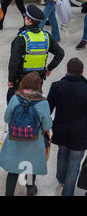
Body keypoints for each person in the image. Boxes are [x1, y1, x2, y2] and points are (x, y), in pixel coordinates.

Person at [0, 72, 53, 196]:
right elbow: (47, 126)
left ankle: (9, 193)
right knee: (31, 165)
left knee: (12, 170)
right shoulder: (43, 103)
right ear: (39, 86)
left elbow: (6, 118)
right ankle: (30, 188)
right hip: (34, 141)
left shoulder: (15, 98)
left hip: (14, 139)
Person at [7, 5, 64, 103]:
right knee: (33, 101)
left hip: (21, 79)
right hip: (38, 79)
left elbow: (14, 62)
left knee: (13, 101)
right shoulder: (46, 37)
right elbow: (60, 53)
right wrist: (49, 68)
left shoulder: (21, 39)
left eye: (25, 17)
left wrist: (11, 79)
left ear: (29, 20)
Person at [47, 58, 87, 196]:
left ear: (67, 71)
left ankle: (61, 178)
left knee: (62, 154)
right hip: (81, 134)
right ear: (82, 72)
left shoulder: (57, 86)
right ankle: (67, 193)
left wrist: (46, 127)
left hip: (61, 130)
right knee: (74, 165)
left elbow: (48, 109)